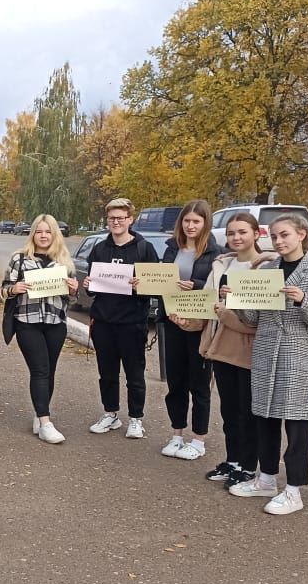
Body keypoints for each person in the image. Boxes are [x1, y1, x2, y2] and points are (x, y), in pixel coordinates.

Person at [227, 214, 308, 515]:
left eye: (284, 235)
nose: (279, 241)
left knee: (297, 424)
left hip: (299, 354)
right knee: (265, 418)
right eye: (274, 237)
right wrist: (239, 301)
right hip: (266, 350)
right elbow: (254, 319)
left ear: (301, 234)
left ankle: (294, 489)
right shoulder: (268, 270)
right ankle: (267, 478)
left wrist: (303, 300)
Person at [198, 213, 273, 487]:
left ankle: (248, 465)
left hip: (248, 347)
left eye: (242, 232)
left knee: (247, 410)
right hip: (220, 345)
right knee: (229, 409)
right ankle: (233, 460)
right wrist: (186, 316)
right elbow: (208, 301)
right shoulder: (222, 264)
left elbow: (262, 315)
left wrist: (229, 308)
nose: (237, 237)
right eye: (231, 233)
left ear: (256, 234)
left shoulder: (268, 267)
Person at [82, 198, 160, 440]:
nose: (116, 222)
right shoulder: (100, 248)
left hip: (132, 322)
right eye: (111, 218)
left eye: (120, 218)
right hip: (103, 321)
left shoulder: (144, 249)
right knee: (107, 373)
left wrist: (141, 285)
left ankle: (136, 418)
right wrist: (87, 285)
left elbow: (156, 286)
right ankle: (111, 413)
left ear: (130, 220)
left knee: (134, 374)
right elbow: (93, 288)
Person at [1, 214, 78, 444]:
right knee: (40, 370)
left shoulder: (64, 261)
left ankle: (39, 412)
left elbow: (71, 301)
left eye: (48, 232)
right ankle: (46, 422)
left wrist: (73, 290)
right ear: (32, 233)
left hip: (55, 323)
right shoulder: (20, 259)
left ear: (55, 235)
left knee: (50, 370)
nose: (43, 236)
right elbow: (4, 290)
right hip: (28, 321)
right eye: (39, 231)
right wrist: (15, 288)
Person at [159, 200, 221, 461]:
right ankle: (177, 434)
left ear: (205, 223)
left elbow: (216, 286)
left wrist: (194, 284)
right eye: (187, 221)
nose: (191, 225)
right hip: (172, 321)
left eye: (196, 221)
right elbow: (161, 280)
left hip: (199, 325)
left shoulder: (215, 253)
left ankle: (198, 439)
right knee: (175, 382)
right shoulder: (172, 248)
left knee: (199, 383)